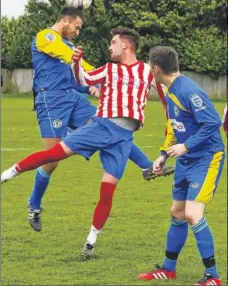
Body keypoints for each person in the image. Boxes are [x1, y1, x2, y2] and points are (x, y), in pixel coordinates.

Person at [1, 27, 169, 260]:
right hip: (99, 127)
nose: (109, 47)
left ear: (126, 45)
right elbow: (83, 79)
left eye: (113, 42)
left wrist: (170, 118)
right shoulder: (109, 69)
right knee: (53, 155)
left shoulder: (147, 71)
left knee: (107, 193)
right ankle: (6, 174)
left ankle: (91, 241)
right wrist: (77, 63)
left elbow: (165, 91)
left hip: (122, 139)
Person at [22, 6, 174, 233]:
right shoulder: (47, 37)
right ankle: (34, 205)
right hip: (51, 100)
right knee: (51, 161)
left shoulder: (70, 46)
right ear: (65, 20)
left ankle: (147, 167)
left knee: (113, 127)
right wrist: (93, 74)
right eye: (77, 26)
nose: (78, 31)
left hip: (72, 98)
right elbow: (69, 59)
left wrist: (94, 86)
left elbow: (78, 76)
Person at [137, 46, 225, 285]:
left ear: (156, 68)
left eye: (149, 66)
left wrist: (185, 147)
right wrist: (164, 154)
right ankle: (168, 269)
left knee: (193, 214)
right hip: (186, 161)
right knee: (177, 212)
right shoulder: (169, 90)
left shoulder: (187, 90)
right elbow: (174, 125)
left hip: (206, 158)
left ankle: (213, 277)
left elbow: (212, 122)